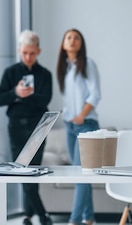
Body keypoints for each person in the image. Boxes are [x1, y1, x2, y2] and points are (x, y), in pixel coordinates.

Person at [0, 30, 54, 225]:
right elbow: (0, 99)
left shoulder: (45, 74)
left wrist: (25, 96)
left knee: (33, 171)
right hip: (16, 128)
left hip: (39, 127)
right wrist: (16, 92)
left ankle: (29, 216)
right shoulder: (10, 73)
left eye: (32, 53)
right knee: (21, 170)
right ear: (20, 50)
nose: (28, 57)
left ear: (38, 51)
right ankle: (42, 215)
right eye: (25, 53)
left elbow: (45, 100)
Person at [55, 28, 101, 225]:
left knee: (80, 174)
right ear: (63, 44)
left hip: (86, 125)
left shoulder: (88, 64)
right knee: (81, 174)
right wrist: (68, 115)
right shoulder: (64, 67)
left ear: (81, 43)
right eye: (69, 38)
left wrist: (81, 115)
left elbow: (95, 94)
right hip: (71, 126)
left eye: (76, 38)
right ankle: (88, 218)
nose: (72, 41)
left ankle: (73, 221)